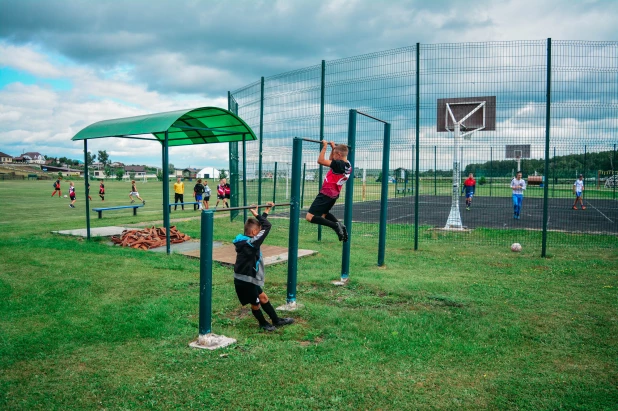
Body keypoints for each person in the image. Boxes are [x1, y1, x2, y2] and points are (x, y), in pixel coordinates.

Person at [233, 202, 294, 332]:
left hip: (248, 278)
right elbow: (267, 226)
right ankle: (263, 323)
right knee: (255, 303)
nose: (260, 234)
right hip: (246, 280)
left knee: (263, 298)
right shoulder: (251, 243)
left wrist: (266, 210)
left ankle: (276, 320)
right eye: (258, 232)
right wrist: (256, 214)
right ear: (254, 232)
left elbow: (262, 227)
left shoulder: (245, 240)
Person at [305, 140, 351, 241]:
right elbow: (332, 160)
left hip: (326, 193)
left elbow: (320, 161)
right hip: (334, 194)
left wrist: (325, 146)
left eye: (335, 154)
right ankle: (340, 226)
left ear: (339, 154)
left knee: (309, 217)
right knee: (324, 214)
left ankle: (335, 226)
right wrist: (333, 147)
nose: (333, 156)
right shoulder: (347, 164)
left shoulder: (339, 165)